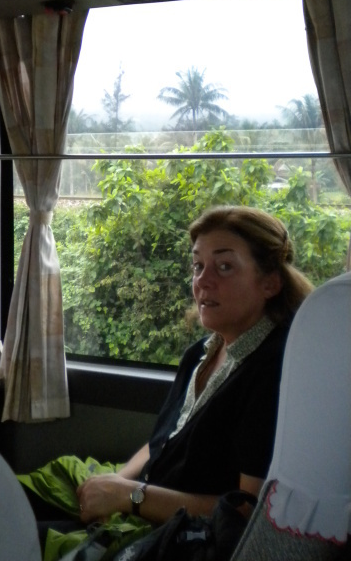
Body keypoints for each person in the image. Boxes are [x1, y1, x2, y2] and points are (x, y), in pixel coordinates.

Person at [20, 205, 315, 556]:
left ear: (270, 283)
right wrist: (116, 483)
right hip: (142, 493)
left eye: (224, 266)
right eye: (198, 266)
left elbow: (245, 514)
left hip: (177, 532)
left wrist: (129, 497)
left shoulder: (274, 371)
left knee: (12, 536)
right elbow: (165, 440)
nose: (202, 281)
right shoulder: (201, 353)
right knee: (7, 495)